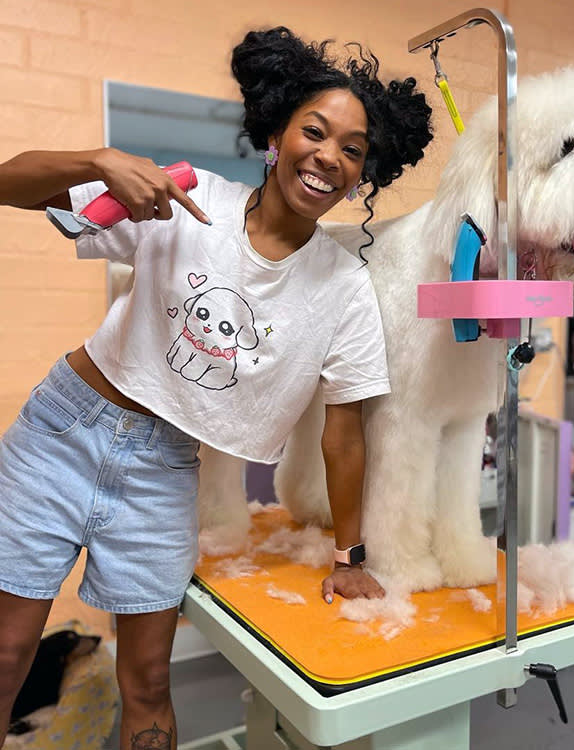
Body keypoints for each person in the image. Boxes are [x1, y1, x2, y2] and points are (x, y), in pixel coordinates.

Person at [0, 26, 433, 749]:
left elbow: (345, 432)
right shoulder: (187, 199)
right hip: (60, 435)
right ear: (276, 133)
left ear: (364, 172)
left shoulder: (346, 287)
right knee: (7, 654)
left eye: (353, 149)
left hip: (165, 472)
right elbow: (7, 184)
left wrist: (349, 558)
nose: (330, 155)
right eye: (315, 131)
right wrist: (102, 163)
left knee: (148, 685)